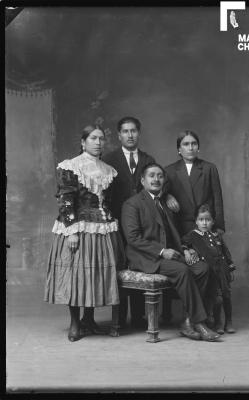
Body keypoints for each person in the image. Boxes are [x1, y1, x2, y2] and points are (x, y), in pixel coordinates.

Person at [121, 162, 221, 341]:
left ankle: (188, 320)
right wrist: (161, 251)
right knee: (182, 270)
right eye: (151, 175)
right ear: (143, 181)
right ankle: (200, 322)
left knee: (202, 268)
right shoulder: (132, 204)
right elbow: (133, 239)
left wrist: (185, 249)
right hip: (144, 257)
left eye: (160, 176)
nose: (156, 179)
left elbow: (174, 234)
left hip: (169, 254)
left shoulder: (164, 203)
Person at [44, 125, 125, 342]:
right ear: (83, 142)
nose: (98, 142)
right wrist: (71, 231)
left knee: (94, 275)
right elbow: (66, 201)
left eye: (101, 138)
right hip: (78, 228)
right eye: (93, 138)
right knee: (76, 275)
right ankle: (74, 322)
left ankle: (89, 319)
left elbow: (106, 202)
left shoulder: (108, 169)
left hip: (102, 229)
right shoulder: (71, 166)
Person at [102, 116, 179, 329]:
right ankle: (120, 320)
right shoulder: (109, 159)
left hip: (142, 222)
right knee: (121, 266)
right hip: (117, 223)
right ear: (119, 135)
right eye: (125, 131)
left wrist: (167, 194)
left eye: (133, 131)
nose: (130, 135)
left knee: (141, 260)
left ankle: (138, 318)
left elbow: (158, 181)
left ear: (139, 134)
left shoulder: (147, 158)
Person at [181, 204, 236, 334]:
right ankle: (217, 322)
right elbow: (183, 243)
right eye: (201, 219)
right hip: (210, 272)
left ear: (212, 221)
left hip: (222, 270)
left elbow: (225, 252)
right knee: (216, 298)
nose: (204, 223)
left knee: (226, 295)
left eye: (207, 219)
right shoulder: (193, 235)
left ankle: (229, 321)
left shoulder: (216, 235)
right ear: (196, 221)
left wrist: (231, 268)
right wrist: (187, 251)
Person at [165, 130, 225, 237]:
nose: (191, 148)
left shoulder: (209, 168)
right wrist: (167, 197)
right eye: (186, 144)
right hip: (180, 227)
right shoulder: (169, 171)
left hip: (205, 225)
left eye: (194, 144)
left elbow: (217, 199)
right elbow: (160, 194)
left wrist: (219, 226)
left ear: (198, 147)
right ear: (179, 149)